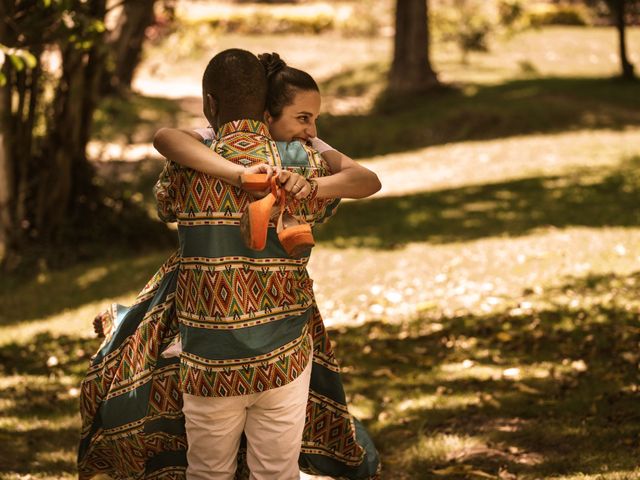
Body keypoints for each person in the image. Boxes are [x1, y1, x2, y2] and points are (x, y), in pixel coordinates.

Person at [78, 49, 381, 480]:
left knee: (207, 471)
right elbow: (362, 179)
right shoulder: (301, 164)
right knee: (276, 471)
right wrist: (305, 177)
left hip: (209, 356)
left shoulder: (188, 167)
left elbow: (165, 195)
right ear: (265, 108)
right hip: (284, 351)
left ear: (210, 104)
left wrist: (233, 171)